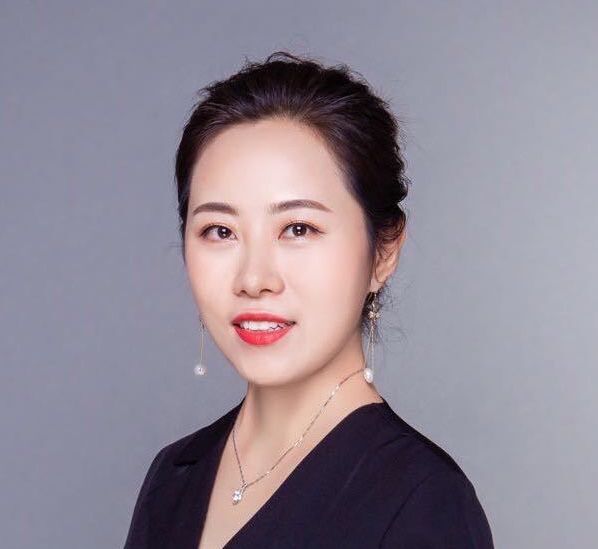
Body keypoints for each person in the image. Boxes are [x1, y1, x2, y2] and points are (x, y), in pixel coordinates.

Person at [123, 51, 494, 548]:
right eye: (220, 231)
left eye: (298, 229)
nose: (254, 278)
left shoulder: (421, 500)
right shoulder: (174, 476)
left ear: (383, 251)